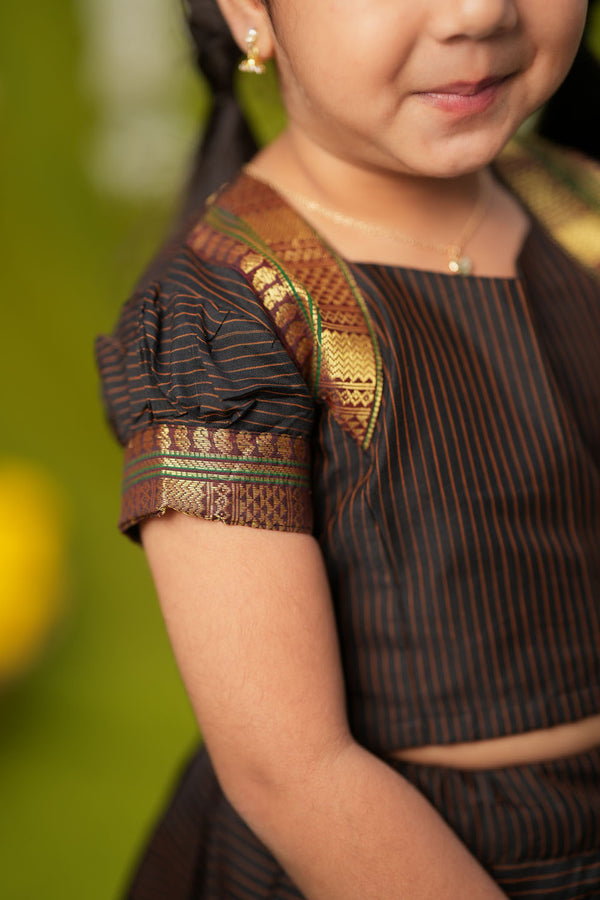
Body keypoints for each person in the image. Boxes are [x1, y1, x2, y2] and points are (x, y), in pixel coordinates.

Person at [96, 0, 600, 897]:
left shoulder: (581, 210)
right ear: (250, 9)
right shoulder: (229, 317)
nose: (480, 11)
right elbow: (294, 771)